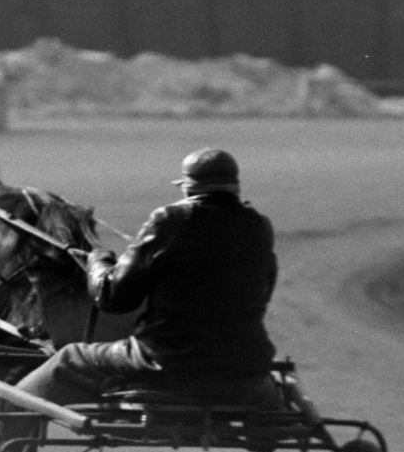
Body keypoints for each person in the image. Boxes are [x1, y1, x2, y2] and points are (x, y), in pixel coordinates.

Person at [16, 146, 286, 421]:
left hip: (164, 361)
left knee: (69, 357)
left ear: (188, 188)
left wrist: (98, 262)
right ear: (235, 187)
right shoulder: (259, 226)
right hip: (247, 364)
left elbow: (113, 297)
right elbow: (264, 291)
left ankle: (8, 418)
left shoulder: (169, 221)